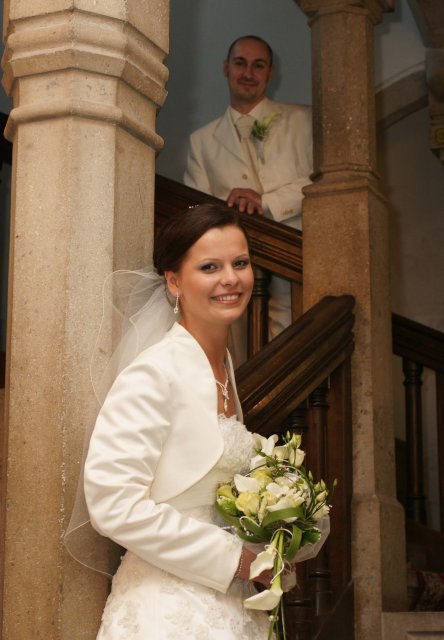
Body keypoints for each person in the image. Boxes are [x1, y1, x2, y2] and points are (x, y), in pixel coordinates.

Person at [78, 204, 275, 639]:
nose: (231, 278)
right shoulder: (154, 373)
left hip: (229, 603)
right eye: (210, 267)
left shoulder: (222, 366)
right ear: (173, 282)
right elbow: (113, 505)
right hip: (166, 609)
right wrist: (233, 559)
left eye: (240, 263)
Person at [184, 35, 313, 339]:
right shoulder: (201, 141)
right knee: (238, 343)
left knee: (291, 336)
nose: (248, 73)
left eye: (259, 65)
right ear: (226, 68)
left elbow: (320, 183)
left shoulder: (303, 120)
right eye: (240, 63)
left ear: (270, 72)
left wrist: (265, 202)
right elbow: (195, 207)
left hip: (294, 259)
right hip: (230, 266)